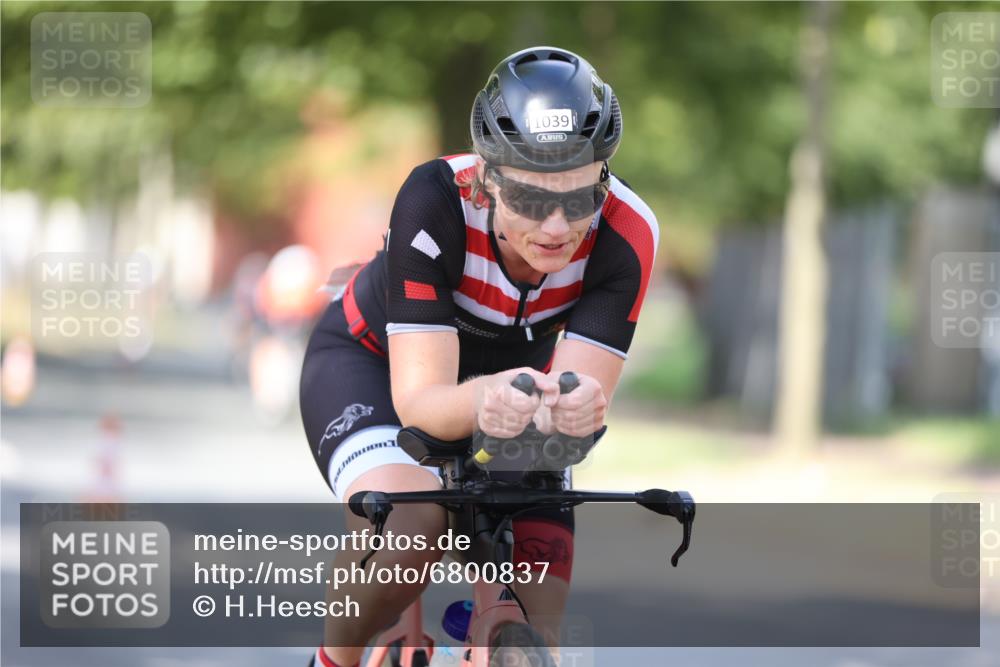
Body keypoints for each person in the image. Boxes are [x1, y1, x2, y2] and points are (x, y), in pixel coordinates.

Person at [300, 45, 659, 667]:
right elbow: (423, 406)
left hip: (515, 397)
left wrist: (575, 414)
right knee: (411, 533)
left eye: (579, 201)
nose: (555, 227)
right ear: (488, 177)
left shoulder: (627, 233)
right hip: (374, 364)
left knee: (537, 617)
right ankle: (333, 660)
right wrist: (490, 402)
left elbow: (569, 424)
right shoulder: (434, 198)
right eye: (528, 198)